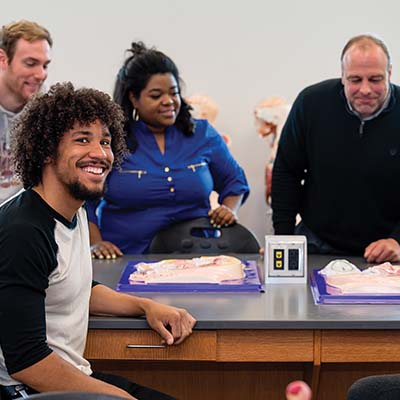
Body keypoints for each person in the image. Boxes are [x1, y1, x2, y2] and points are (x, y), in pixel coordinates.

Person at [0, 82, 196, 400]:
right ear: (47, 150)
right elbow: (27, 363)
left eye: (105, 141)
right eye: (83, 140)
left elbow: (73, 287)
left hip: (67, 377)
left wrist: (146, 306)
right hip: (24, 390)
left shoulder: (73, 210)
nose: (100, 153)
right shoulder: (23, 232)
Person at [87, 42, 249, 258]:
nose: (169, 101)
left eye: (174, 93)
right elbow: (85, 199)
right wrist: (95, 243)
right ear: (133, 98)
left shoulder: (203, 134)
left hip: (195, 257)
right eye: (156, 95)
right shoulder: (114, 140)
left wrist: (229, 209)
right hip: (126, 257)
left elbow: (235, 182)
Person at [271, 34, 400, 263]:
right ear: (342, 76)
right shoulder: (311, 103)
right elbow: (286, 171)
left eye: (376, 79)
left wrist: (397, 240)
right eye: (355, 79)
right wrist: (283, 238)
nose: (366, 89)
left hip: (387, 248)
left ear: (390, 73)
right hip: (317, 240)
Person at [0, 20, 52, 204]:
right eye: (31, 63)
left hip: (20, 219)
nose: (40, 75)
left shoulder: (47, 110)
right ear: (3, 59)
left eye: (45, 65)